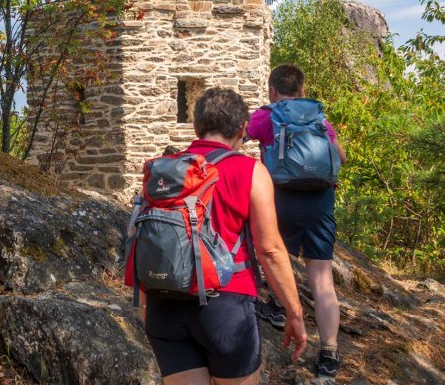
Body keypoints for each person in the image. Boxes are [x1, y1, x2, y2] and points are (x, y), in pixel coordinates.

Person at [141, 87, 307, 385]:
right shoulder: (250, 170)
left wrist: (145, 304)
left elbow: (149, 238)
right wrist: (294, 312)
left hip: (163, 305)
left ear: (196, 127)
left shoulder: (162, 170)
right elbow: (269, 249)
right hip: (225, 306)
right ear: (243, 129)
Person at [248, 64, 348, 378]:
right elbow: (341, 157)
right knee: (322, 279)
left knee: (273, 254)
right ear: (302, 90)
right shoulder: (319, 118)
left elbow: (233, 135)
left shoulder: (267, 116)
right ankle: (329, 354)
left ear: (272, 90)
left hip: (281, 198)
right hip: (320, 201)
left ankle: (278, 308)